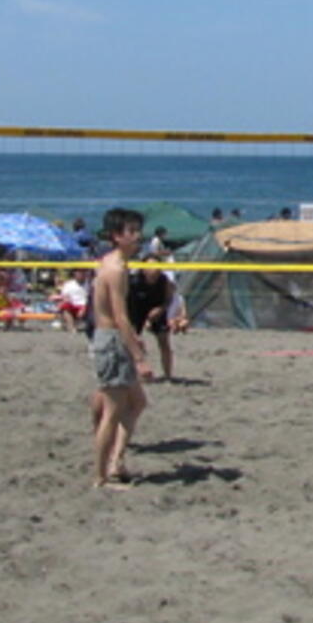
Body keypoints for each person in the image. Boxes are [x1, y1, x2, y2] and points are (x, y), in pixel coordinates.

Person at [88, 208, 152, 490]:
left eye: (138, 231)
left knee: (137, 402)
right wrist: (138, 357)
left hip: (112, 339)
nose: (137, 237)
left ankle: (117, 461)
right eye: (131, 232)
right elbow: (120, 316)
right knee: (112, 411)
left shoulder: (114, 264)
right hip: (111, 340)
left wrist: (135, 342)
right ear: (116, 236)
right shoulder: (115, 269)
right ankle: (101, 477)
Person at [127, 256, 176, 381]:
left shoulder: (165, 281)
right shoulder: (134, 282)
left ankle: (168, 375)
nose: (153, 270)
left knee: (164, 341)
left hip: (157, 307)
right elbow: (127, 306)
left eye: (156, 268)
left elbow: (168, 299)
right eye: (150, 267)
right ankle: (134, 373)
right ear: (143, 269)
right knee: (132, 342)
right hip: (136, 309)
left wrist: (161, 309)